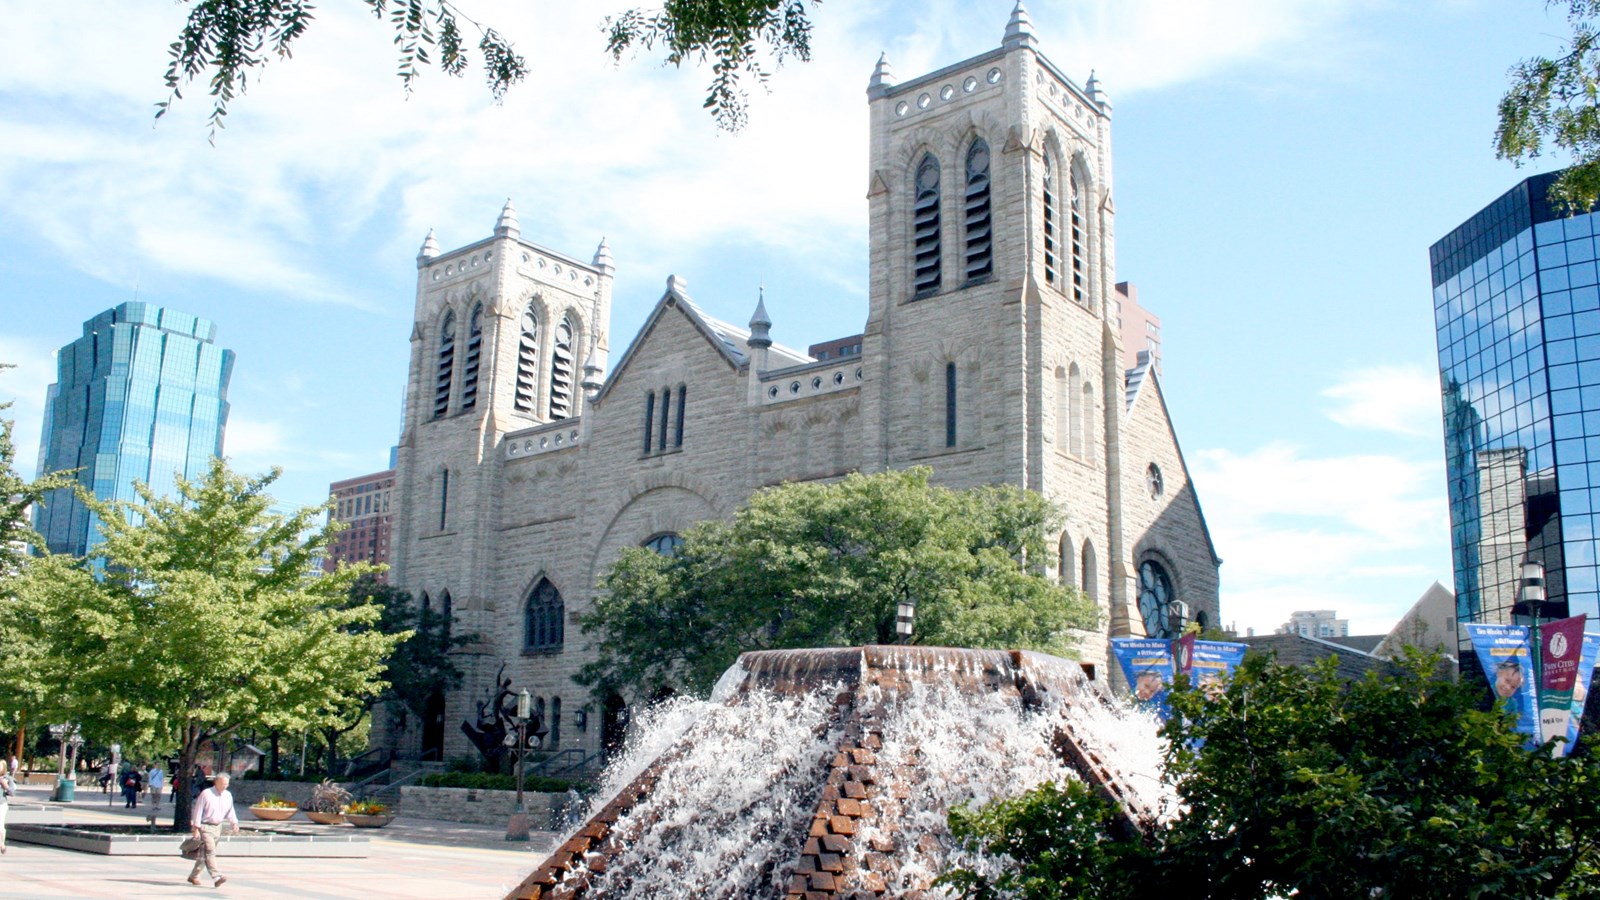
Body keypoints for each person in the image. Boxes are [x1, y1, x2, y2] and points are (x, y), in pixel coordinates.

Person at [188, 773, 239, 887]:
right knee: (210, 851)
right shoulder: (206, 793)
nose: (225, 786)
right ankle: (217, 877)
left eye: (227, 784)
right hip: (206, 827)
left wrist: (234, 822)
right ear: (216, 782)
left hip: (218, 827)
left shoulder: (228, 795)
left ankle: (194, 876)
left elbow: (231, 810)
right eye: (223, 783)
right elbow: (198, 810)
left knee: (204, 854)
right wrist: (195, 827)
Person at [0, 760, 14, 854]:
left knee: (0, 827)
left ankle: (1, 844)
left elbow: (12, 793)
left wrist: (5, 786)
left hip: (1, 804)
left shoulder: (7, 778)